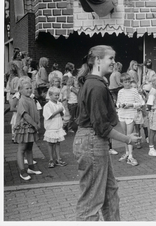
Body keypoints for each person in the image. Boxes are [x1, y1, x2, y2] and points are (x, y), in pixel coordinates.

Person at [73, 45, 141, 221]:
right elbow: (101, 127)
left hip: (93, 142)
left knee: (110, 193)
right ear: (97, 60)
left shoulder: (95, 83)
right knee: (91, 202)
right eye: (110, 59)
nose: (114, 62)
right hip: (92, 142)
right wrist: (127, 139)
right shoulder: (96, 86)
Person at [14, 77, 42, 181]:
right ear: (20, 90)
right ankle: (22, 171)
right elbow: (25, 115)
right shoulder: (22, 100)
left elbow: (35, 112)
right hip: (24, 127)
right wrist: (35, 124)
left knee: (30, 147)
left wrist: (37, 122)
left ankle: (31, 167)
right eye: (26, 88)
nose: (29, 90)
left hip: (31, 127)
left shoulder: (31, 99)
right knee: (22, 149)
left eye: (30, 88)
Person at [116, 73, 144, 166]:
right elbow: (118, 103)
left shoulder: (134, 91)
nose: (127, 83)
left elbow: (139, 103)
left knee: (129, 135)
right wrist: (120, 105)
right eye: (125, 82)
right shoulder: (120, 92)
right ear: (122, 83)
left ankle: (131, 156)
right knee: (124, 135)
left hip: (131, 114)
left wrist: (131, 105)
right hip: (122, 114)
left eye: (128, 81)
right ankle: (127, 153)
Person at [43, 87, 67, 168]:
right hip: (51, 128)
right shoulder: (47, 105)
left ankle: (58, 158)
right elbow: (48, 116)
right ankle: (51, 159)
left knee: (57, 143)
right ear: (50, 95)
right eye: (55, 95)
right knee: (50, 144)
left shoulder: (59, 104)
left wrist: (61, 111)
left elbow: (63, 113)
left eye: (58, 95)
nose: (57, 97)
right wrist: (58, 111)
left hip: (58, 126)